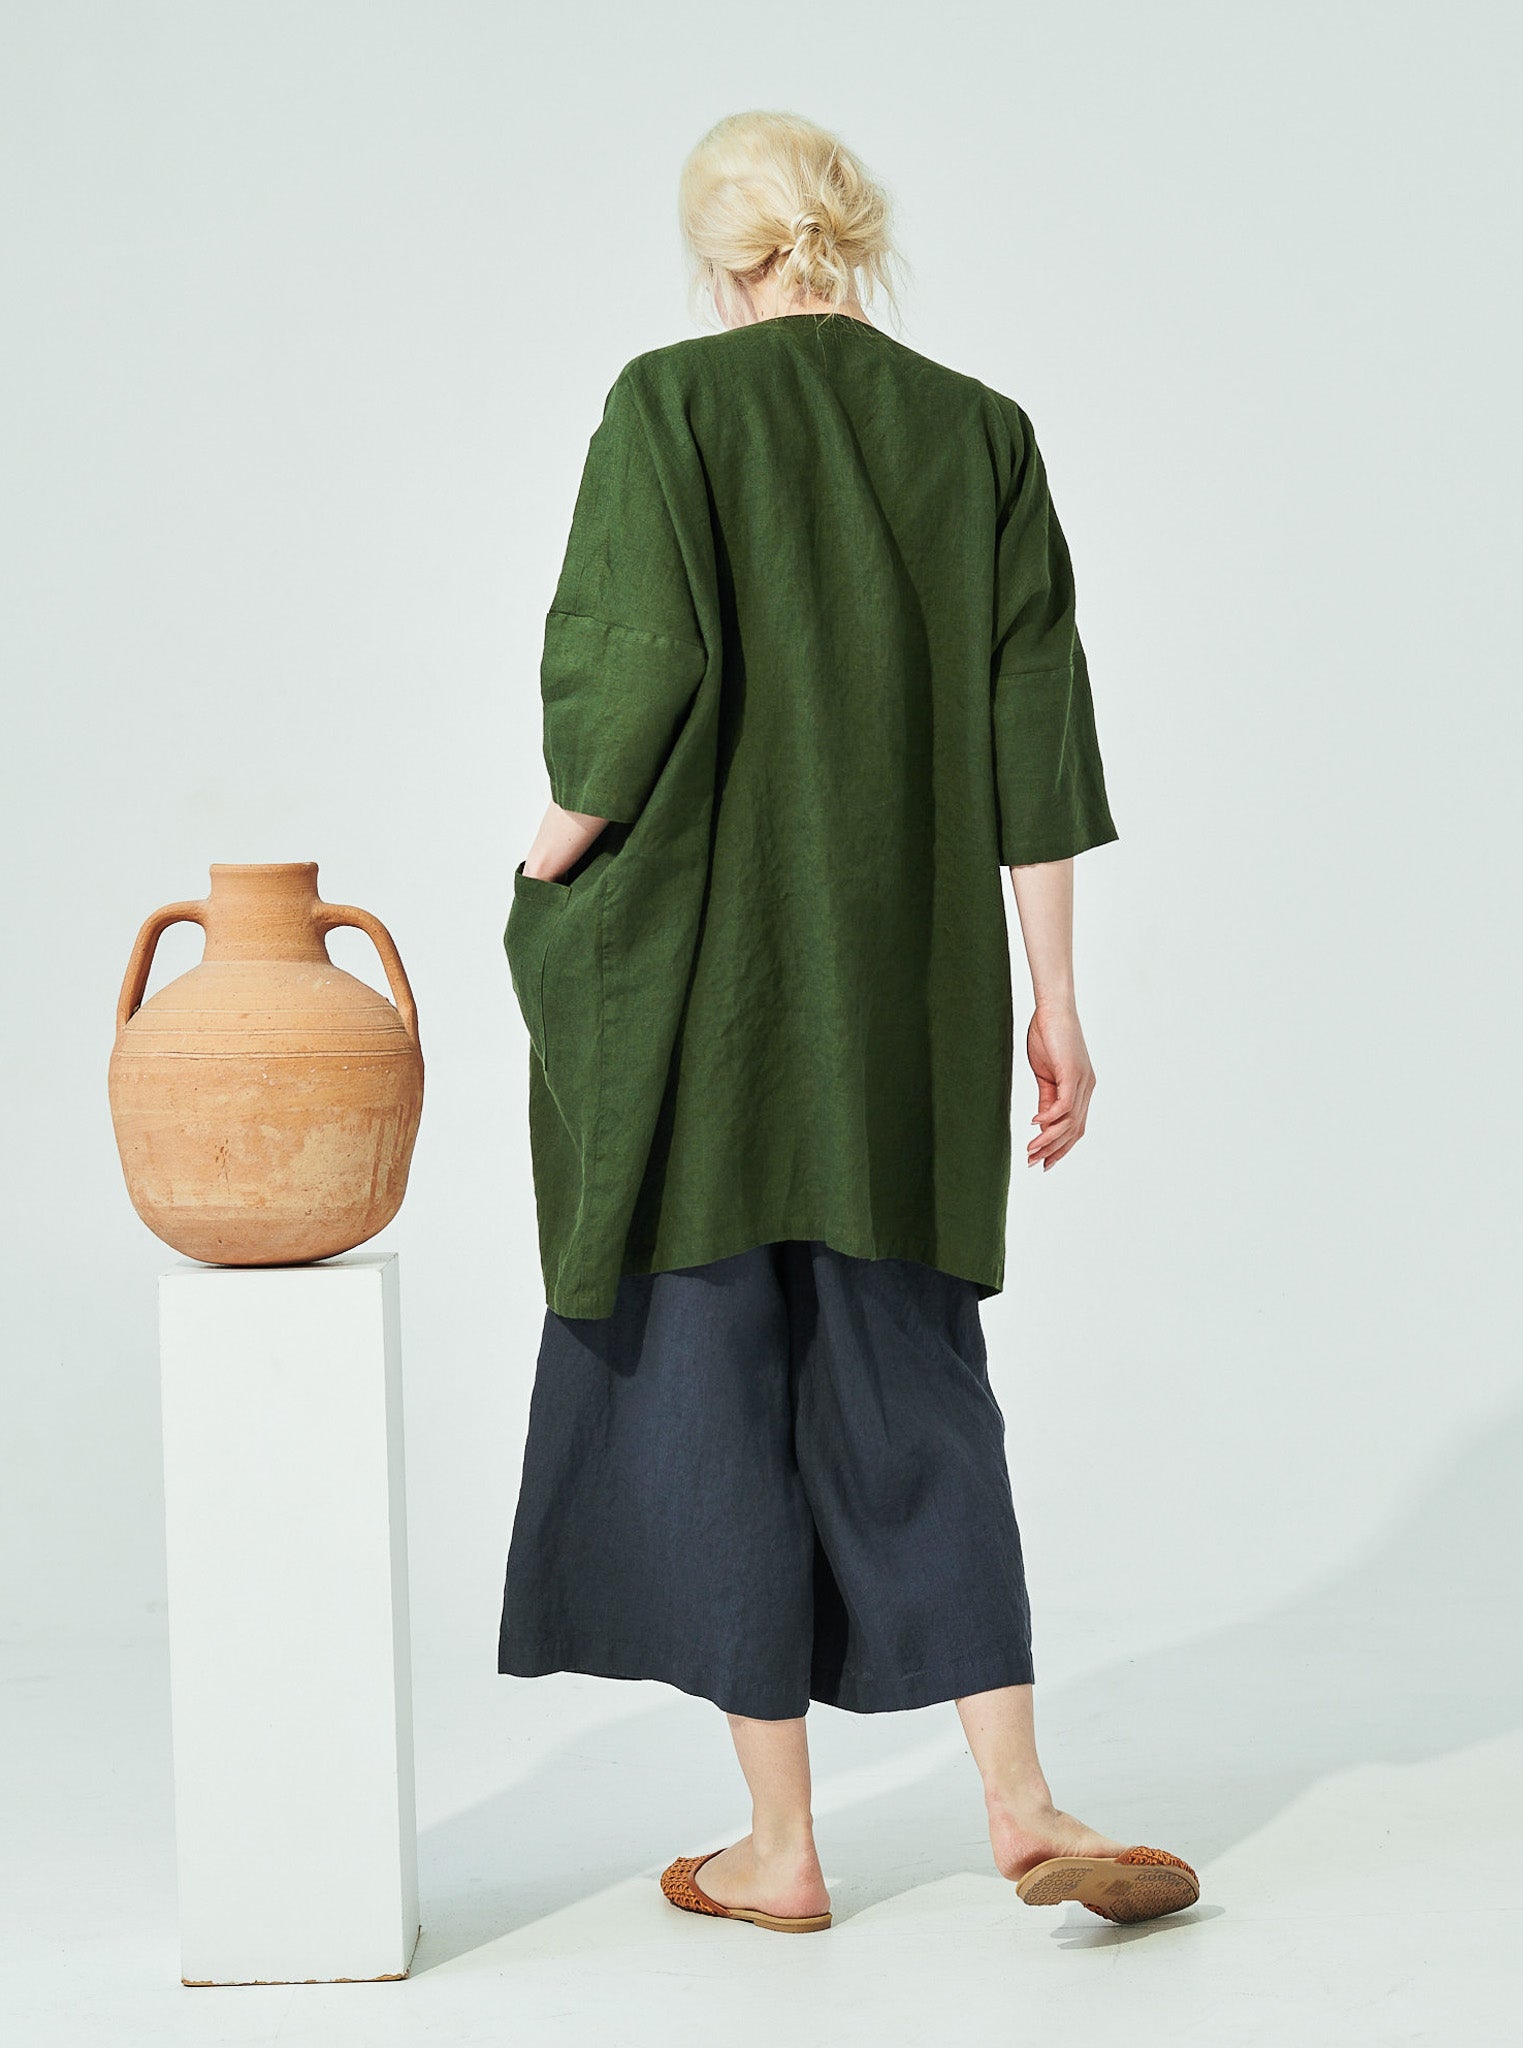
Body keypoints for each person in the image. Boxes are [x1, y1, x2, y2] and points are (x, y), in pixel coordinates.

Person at [497, 109, 1198, 1934]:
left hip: (710, 1000)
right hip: (904, 1008)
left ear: (717, 256)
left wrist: (552, 850)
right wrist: (1055, 998)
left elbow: (631, 670)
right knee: (915, 1381)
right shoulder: (979, 433)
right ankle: (1023, 1804)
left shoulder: (671, 403)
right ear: (850, 237)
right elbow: (1033, 732)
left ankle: (780, 1852)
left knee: (714, 1381)